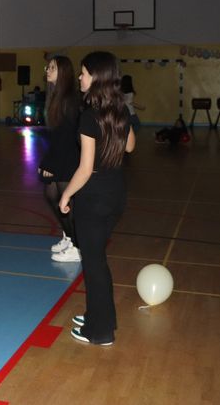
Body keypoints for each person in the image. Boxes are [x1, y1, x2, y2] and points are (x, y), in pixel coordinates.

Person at [59, 52, 136, 345]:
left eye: (83, 73)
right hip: (116, 196)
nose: (80, 77)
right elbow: (129, 147)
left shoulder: (90, 116)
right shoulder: (119, 111)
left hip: (93, 200)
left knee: (94, 265)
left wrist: (66, 194)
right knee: (97, 260)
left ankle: (100, 331)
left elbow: (85, 168)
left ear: (96, 78)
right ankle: (100, 316)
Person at [39, 56, 81, 262]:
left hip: (68, 157)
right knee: (51, 195)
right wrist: (48, 160)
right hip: (59, 154)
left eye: (53, 68)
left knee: (65, 202)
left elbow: (66, 136)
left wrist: (50, 163)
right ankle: (69, 236)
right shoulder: (55, 96)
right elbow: (55, 135)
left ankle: (78, 247)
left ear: (63, 72)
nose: (48, 70)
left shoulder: (69, 99)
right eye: (48, 67)